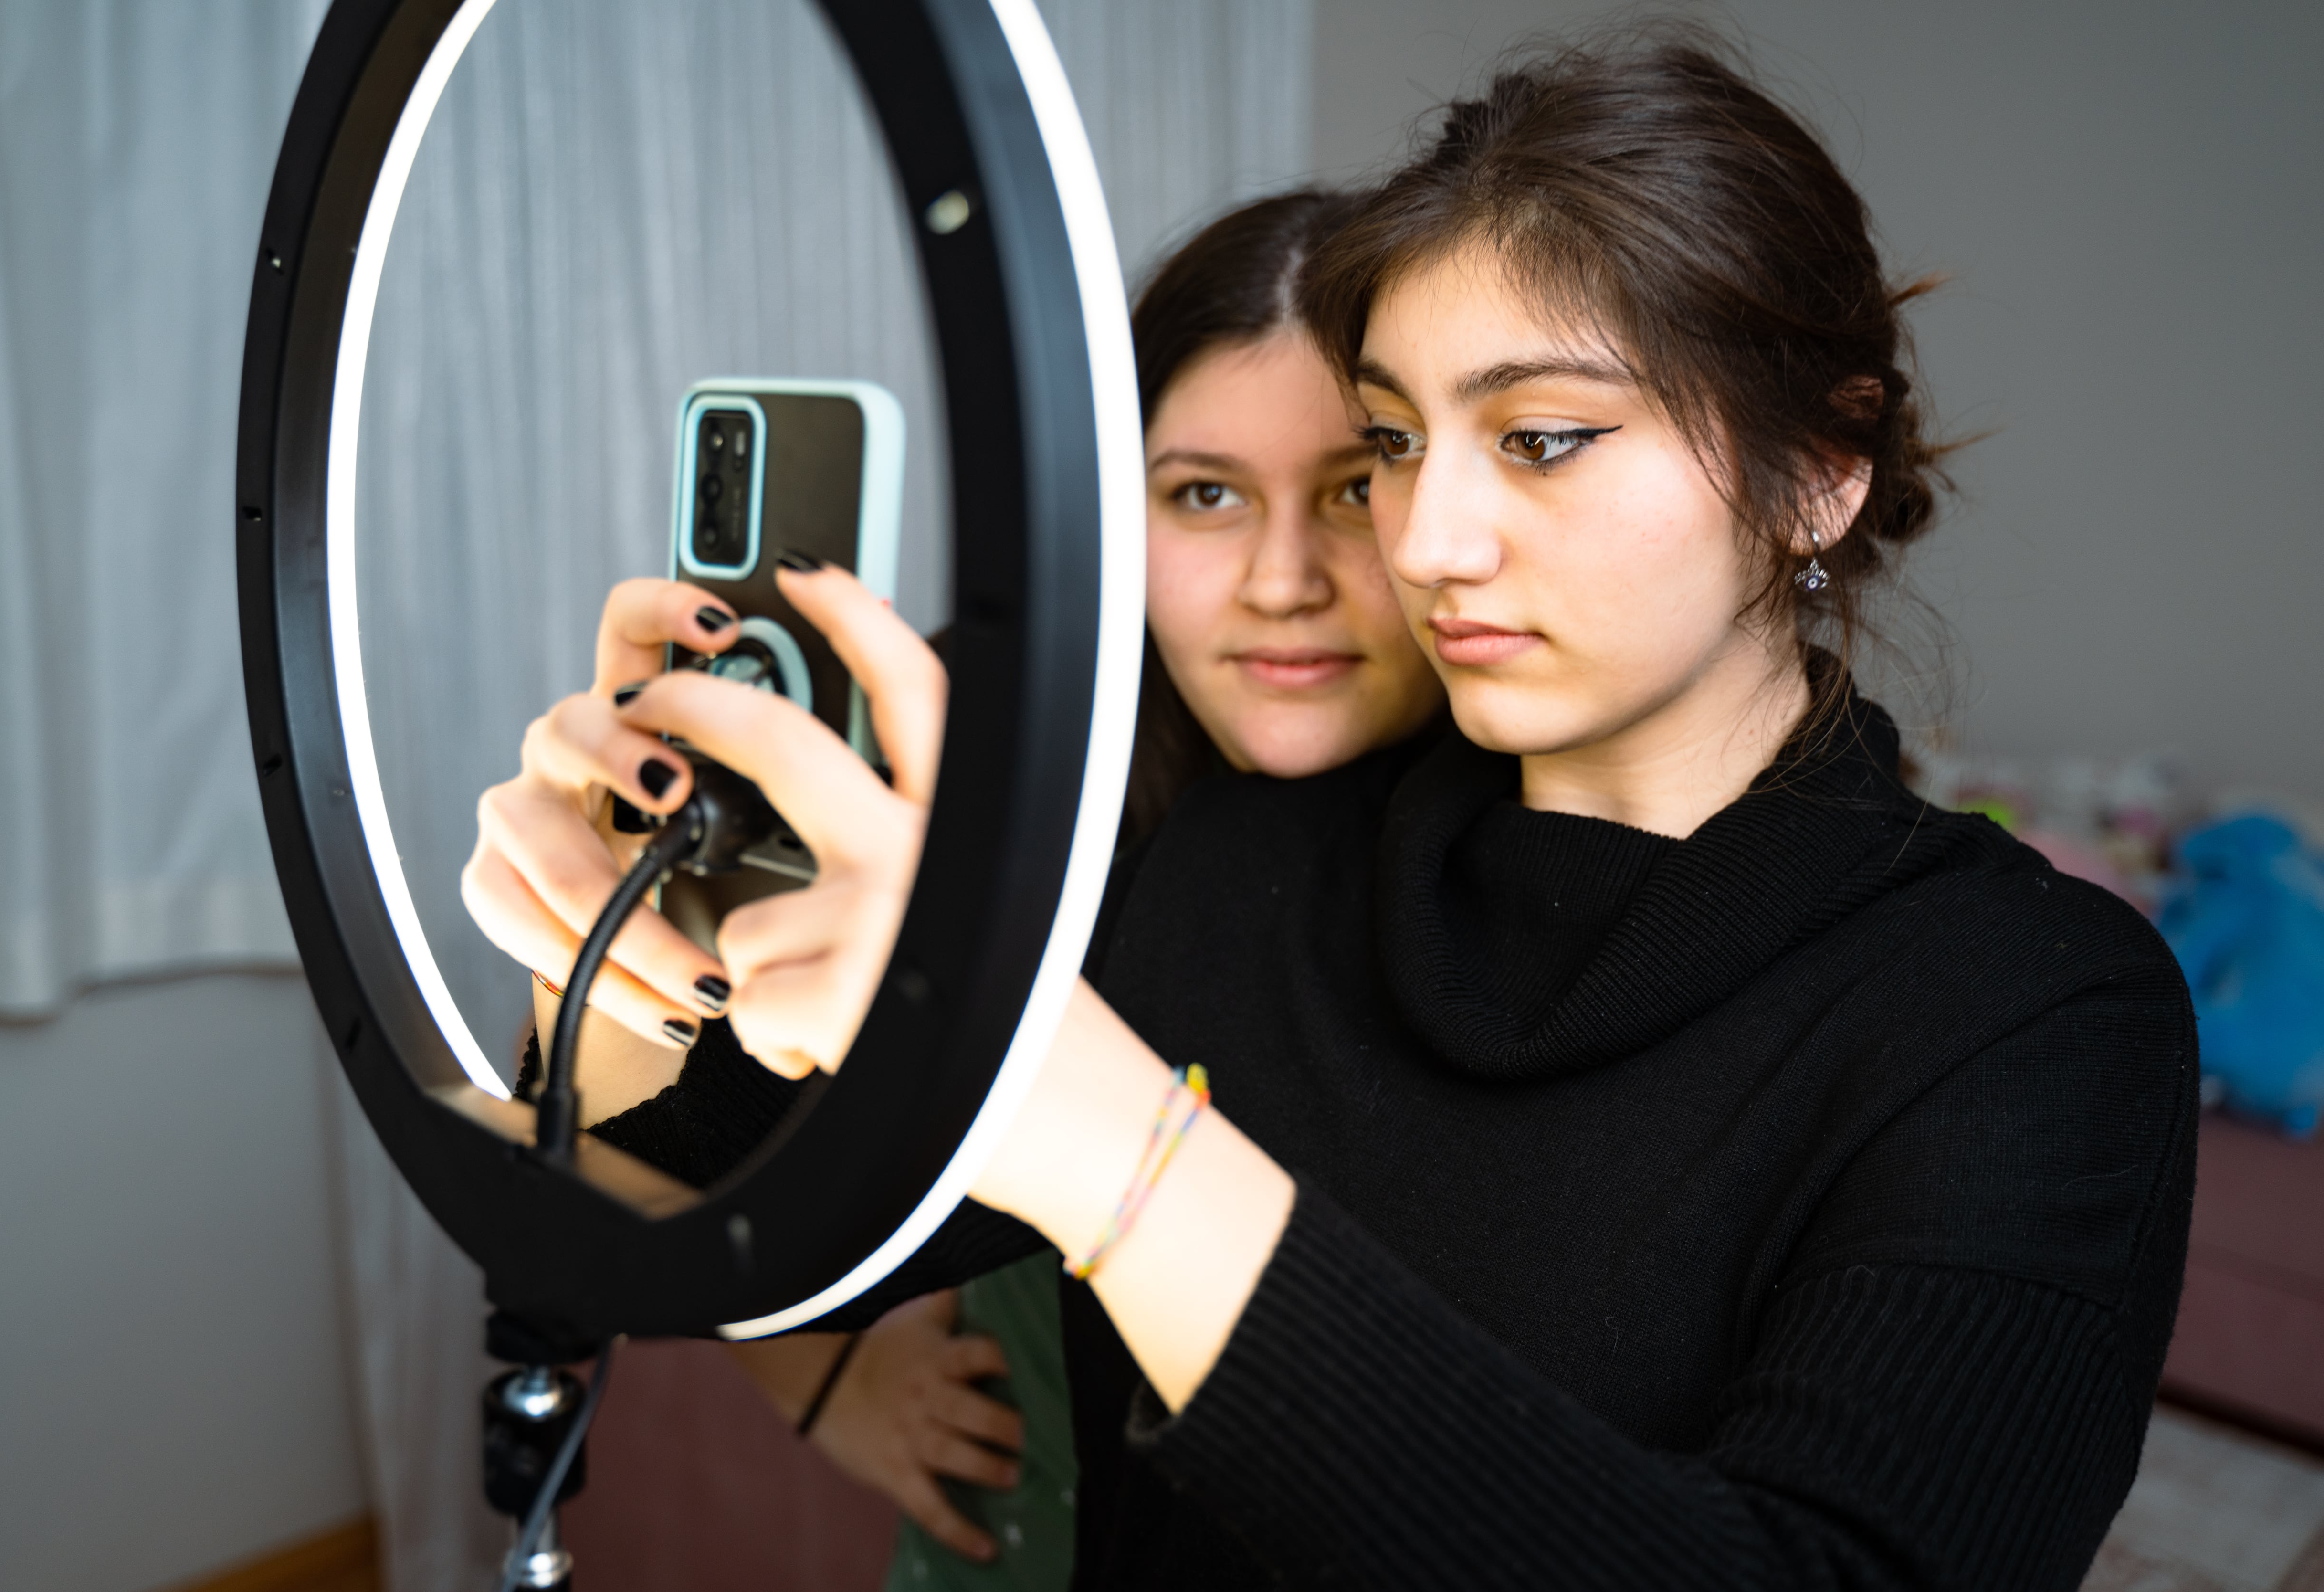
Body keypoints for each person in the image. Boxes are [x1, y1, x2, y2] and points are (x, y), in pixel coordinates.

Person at [468, 28, 2197, 1590]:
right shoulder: (1254, 858)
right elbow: (719, 1228)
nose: (1422, 543)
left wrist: (1112, 1141)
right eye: (1397, 445)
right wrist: (620, 932)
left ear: (1821, 467)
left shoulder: (2034, 1016)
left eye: (1542, 439)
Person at [466, 193, 1442, 1579]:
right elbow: (677, 1169)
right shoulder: (981, 764)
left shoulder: (1523, 836)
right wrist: (606, 944)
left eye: (1352, 489)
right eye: (1205, 494)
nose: (1282, 582)